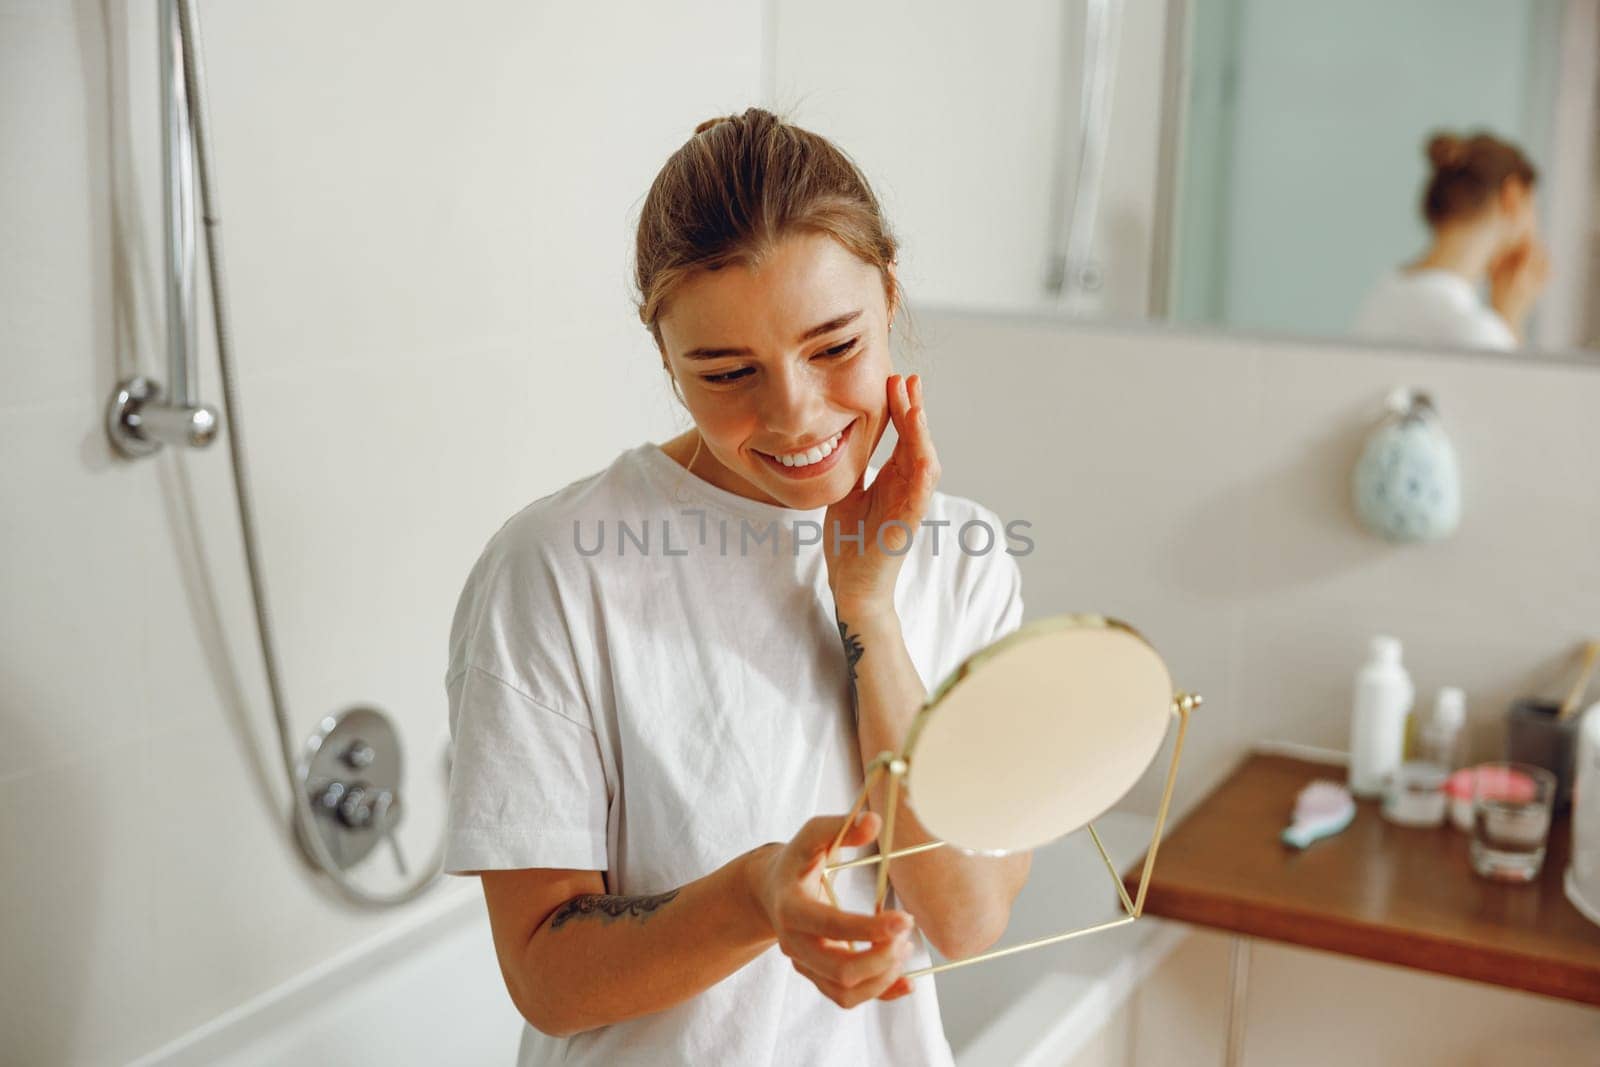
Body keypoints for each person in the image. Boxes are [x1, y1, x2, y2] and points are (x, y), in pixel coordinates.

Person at [441, 107, 1031, 1066]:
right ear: (667, 362)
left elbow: (964, 918)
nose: (795, 415)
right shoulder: (558, 570)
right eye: (725, 372)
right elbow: (548, 979)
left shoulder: (964, 556)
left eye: (835, 347)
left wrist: (869, 606)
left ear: (888, 295)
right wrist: (755, 894)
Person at [1353, 130, 1550, 350]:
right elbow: (1513, 383)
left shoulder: (1386, 291)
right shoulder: (1475, 332)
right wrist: (1510, 321)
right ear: (1511, 198)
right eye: (1534, 208)